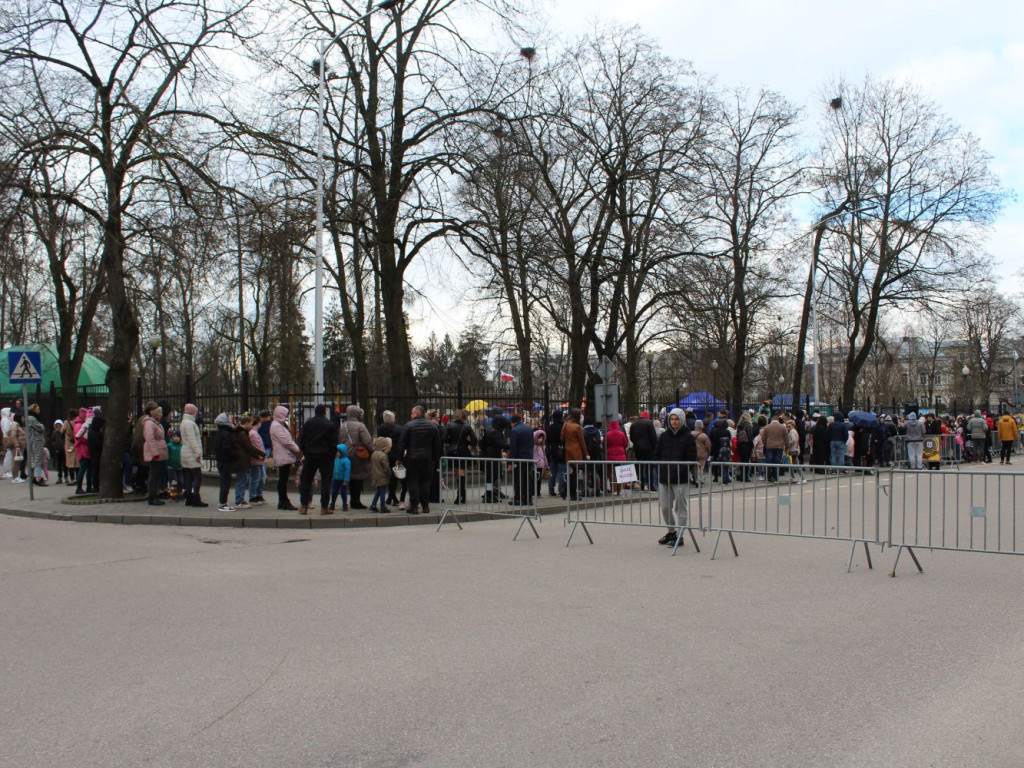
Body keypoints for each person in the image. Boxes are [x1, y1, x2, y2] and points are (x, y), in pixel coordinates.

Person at [653, 408, 697, 547]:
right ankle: (671, 532)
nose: (674, 422)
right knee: (665, 507)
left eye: (677, 419)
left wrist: (682, 470)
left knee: (680, 508)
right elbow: (657, 454)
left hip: (680, 478)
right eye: (672, 419)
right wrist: (660, 468)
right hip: (665, 477)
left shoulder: (688, 437)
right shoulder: (664, 436)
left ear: (682, 420)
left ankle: (680, 535)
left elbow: (691, 458)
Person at [397, 404, 441, 515]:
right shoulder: (432, 426)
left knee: (413, 483)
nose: (411, 415)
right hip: (427, 458)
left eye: (412, 413)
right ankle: (425, 506)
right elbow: (437, 445)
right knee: (425, 482)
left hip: (412, 459)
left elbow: (401, 445)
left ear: (416, 414)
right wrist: (435, 459)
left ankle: (414, 506)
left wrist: (399, 458)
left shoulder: (408, 426)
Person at [339, 405, 373, 509]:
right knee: (358, 477)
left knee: (350, 477)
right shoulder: (360, 426)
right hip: (358, 454)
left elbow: (340, 441)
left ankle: (351, 500)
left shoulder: (342, 426)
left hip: (346, 454)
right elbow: (367, 441)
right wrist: (374, 450)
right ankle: (356, 501)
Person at [270, 406, 302, 511]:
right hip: (283, 455)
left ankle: (284, 500)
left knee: (283, 479)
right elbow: (285, 441)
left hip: (284, 454)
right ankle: (283, 501)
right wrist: (296, 449)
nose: (287, 415)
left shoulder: (279, 425)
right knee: (283, 480)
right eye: (285, 414)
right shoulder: (276, 426)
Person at [232, 416, 265, 510]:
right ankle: (239, 501)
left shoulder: (241, 432)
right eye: (250, 423)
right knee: (241, 481)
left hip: (242, 458)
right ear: (246, 423)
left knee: (243, 480)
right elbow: (248, 446)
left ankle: (240, 500)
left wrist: (256, 455)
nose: (251, 426)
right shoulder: (242, 433)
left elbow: (247, 448)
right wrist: (261, 453)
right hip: (241, 459)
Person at [445, 409, 477, 505]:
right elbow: (474, 441)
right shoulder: (467, 427)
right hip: (463, 451)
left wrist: (452, 442)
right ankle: (462, 495)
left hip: (452, 451)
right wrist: (466, 442)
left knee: (456, 473)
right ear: (465, 417)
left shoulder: (450, 425)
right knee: (462, 473)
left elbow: (444, 439)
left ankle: (460, 495)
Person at [179, 403, 208, 507]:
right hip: (191, 453)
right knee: (197, 476)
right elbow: (192, 439)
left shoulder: (184, 422)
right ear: (192, 412)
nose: (196, 413)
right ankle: (196, 498)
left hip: (185, 452)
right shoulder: (190, 423)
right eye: (195, 411)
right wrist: (198, 453)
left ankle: (189, 497)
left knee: (188, 476)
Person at [141, 402, 169, 506]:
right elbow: (150, 439)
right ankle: (152, 496)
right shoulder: (149, 423)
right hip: (155, 453)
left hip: (159, 451)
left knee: (158, 473)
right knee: (154, 475)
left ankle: (154, 494)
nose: (161, 414)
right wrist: (155, 453)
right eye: (159, 412)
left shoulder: (156, 422)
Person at [478, 414, 509, 502]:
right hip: (492, 457)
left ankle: (489, 494)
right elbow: (502, 444)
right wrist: (510, 446)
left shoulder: (491, 429)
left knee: (491, 477)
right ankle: (489, 495)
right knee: (491, 477)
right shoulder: (494, 431)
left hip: (489, 456)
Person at [560, 409, 588, 501]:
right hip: (576, 452)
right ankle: (573, 494)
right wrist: (586, 454)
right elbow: (582, 442)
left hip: (568, 452)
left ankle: (565, 492)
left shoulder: (566, 424)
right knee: (575, 475)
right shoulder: (577, 427)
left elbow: (562, 437)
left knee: (569, 474)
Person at [212, 412, 238, 511]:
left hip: (222, 460)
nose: (231, 419)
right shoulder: (226, 433)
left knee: (225, 482)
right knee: (225, 482)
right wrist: (235, 454)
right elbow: (226, 448)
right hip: (225, 461)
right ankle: (222, 503)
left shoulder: (220, 432)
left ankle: (223, 502)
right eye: (229, 417)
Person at [377, 410, 403, 506]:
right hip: (395, 454)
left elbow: (379, 440)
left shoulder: (381, 428)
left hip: (384, 453)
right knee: (394, 477)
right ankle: (392, 497)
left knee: (386, 476)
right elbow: (401, 442)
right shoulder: (399, 428)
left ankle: (390, 497)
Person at [508, 413, 535, 505]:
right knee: (527, 478)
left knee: (518, 479)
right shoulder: (529, 429)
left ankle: (519, 498)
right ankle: (528, 498)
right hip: (529, 457)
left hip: (519, 458)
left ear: (513, 422)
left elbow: (513, 448)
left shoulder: (514, 431)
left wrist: (510, 461)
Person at [630, 410, 658, 491]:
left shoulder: (634, 424)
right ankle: (650, 485)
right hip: (649, 449)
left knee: (640, 467)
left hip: (638, 449)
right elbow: (653, 437)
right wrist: (654, 447)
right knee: (649, 467)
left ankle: (642, 486)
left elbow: (631, 437)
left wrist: (636, 444)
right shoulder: (649, 423)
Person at [545, 410, 567, 498]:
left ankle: (551, 489)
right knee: (562, 471)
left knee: (553, 471)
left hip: (552, 450)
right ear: (561, 416)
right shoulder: (563, 426)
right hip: (561, 450)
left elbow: (548, 440)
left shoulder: (550, 427)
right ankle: (561, 489)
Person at [761, 414, 789, 481]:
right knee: (777, 462)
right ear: (778, 420)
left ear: (771, 420)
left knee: (769, 462)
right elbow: (786, 438)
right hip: (779, 447)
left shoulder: (767, 427)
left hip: (769, 446)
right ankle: (775, 477)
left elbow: (763, 438)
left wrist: (766, 443)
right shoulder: (783, 427)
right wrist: (787, 446)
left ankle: (768, 477)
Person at [368, 436, 392, 513]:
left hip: (375, 475)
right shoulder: (383, 455)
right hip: (382, 476)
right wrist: (389, 473)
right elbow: (386, 467)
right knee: (382, 492)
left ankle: (373, 505)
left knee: (378, 491)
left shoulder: (374, 454)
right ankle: (382, 507)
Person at [25, 404, 46, 486]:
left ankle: (33, 477)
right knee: (38, 459)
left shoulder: (29, 418)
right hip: (36, 440)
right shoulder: (32, 418)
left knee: (34, 459)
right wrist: (42, 426)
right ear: (33, 410)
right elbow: (41, 428)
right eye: (37, 409)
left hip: (32, 440)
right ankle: (38, 478)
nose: (39, 411)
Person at [330, 443, 351, 511]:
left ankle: (344, 505)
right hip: (335, 479)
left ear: (343, 452)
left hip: (342, 480)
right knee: (334, 492)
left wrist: (346, 480)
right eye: (336, 452)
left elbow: (347, 471)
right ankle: (332, 504)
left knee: (343, 493)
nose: (337, 453)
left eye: (339, 452)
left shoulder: (346, 461)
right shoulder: (335, 459)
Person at [166, 430, 183, 499]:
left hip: (180, 466)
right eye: (174, 436)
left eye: (177, 436)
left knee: (180, 481)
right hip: (171, 466)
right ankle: (173, 494)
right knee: (173, 481)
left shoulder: (182, 445)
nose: (176, 438)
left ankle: (180, 493)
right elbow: (167, 455)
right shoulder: (169, 445)